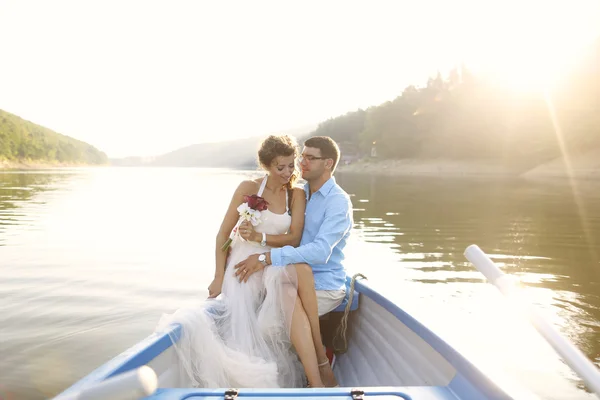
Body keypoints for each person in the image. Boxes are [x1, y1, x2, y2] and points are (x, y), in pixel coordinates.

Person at [156, 134, 324, 388]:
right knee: (269, 293)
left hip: (272, 259)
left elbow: (295, 238)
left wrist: (261, 237)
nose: (288, 172)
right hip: (244, 264)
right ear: (267, 165)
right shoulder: (248, 189)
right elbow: (223, 235)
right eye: (281, 167)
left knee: (295, 276)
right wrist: (218, 276)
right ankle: (308, 370)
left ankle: (317, 370)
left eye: (292, 165)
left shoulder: (296, 194)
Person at [233, 136, 353, 388]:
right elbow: (288, 236)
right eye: (303, 156)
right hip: (290, 277)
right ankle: (316, 368)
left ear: (328, 163)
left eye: (310, 158)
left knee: (269, 325)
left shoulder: (338, 202)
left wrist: (266, 257)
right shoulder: (298, 193)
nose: (302, 163)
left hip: (324, 283)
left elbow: (320, 251)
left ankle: (318, 366)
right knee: (273, 304)